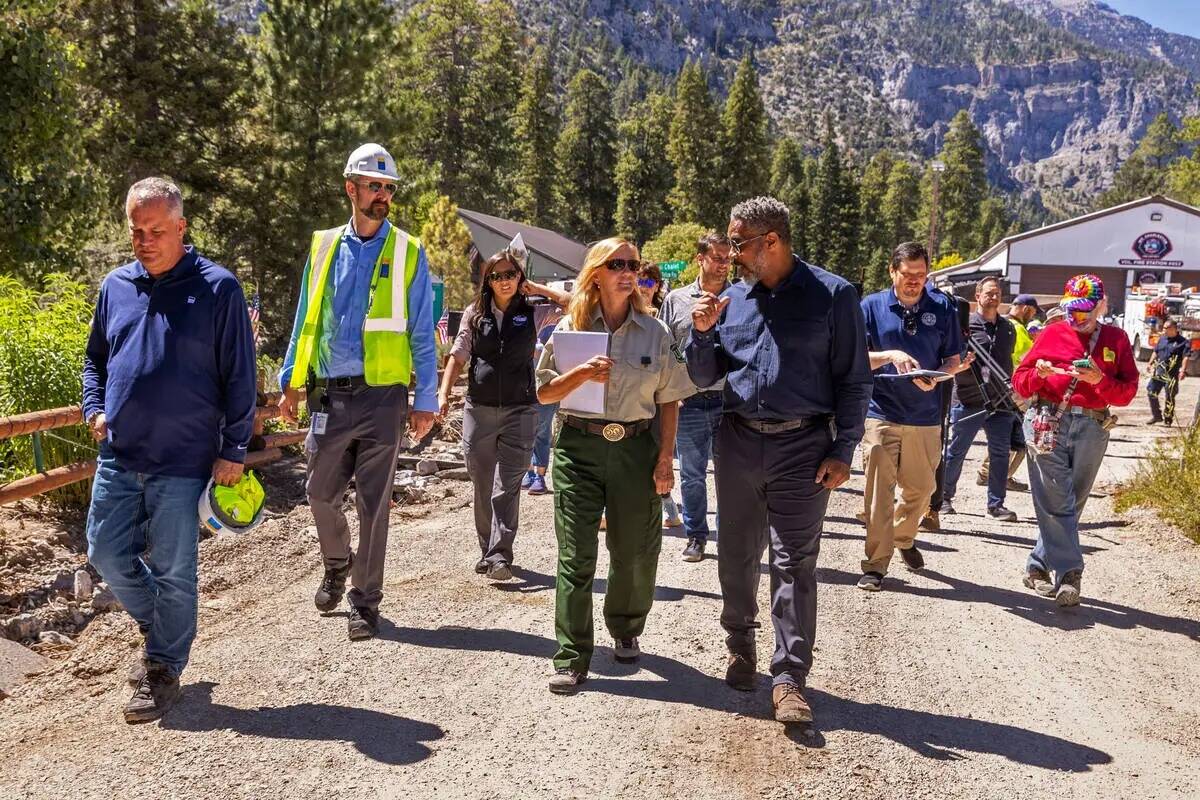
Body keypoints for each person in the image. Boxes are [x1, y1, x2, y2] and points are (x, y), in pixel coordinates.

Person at [687, 197, 872, 724]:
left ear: (771, 241)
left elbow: (855, 380)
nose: (729, 254)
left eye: (738, 243)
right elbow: (705, 376)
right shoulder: (735, 299)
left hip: (804, 449)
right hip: (738, 441)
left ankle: (789, 676)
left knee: (794, 563)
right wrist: (701, 336)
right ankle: (740, 643)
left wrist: (843, 449)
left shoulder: (834, 296)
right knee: (736, 555)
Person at [83, 177, 256, 722]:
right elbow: (95, 361)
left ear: (182, 227)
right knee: (104, 552)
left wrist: (234, 447)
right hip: (121, 452)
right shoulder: (116, 287)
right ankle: (162, 625)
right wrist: (94, 408)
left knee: (176, 568)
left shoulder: (218, 288)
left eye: (157, 230)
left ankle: (161, 669)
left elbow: (240, 376)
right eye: (136, 231)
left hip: (185, 460)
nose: (145, 240)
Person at [277, 143, 437, 641]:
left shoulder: (409, 251)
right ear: (351, 188)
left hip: (383, 397)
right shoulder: (324, 245)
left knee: (374, 502)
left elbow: (420, 330)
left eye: (388, 188)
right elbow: (306, 315)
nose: (382, 195)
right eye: (374, 186)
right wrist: (290, 378)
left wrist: (426, 397)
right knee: (319, 492)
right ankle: (337, 561)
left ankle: (365, 601)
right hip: (328, 393)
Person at [536, 237, 694, 694]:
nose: (628, 271)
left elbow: (670, 400)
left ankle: (625, 625)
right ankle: (571, 655)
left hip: (635, 450)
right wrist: (581, 373)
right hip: (578, 449)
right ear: (597, 273)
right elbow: (545, 393)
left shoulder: (655, 333)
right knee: (576, 555)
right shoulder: (571, 327)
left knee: (635, 552)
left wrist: (666, 459)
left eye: (633, 265)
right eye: (616, 264)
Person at [436, 236, 569, 581]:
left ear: (519, 276)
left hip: (520, 410)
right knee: (482, 485)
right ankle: (488, 550)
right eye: (497, 276)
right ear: (487, 281)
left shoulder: (533, 310)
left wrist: (536, 287)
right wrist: (443, 392)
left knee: (506, 485)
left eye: (511, 273)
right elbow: (458, 354)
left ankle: (500, 555)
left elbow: (574, 303)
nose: (504, 280)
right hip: (478, 411)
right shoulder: (474, 314)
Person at [1012, 274, 1138, 606]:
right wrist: (1038, 374)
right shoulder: (1052, 333)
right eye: (1070, 308)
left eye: (1084, 309)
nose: (1076, 316)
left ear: (1100, 306)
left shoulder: (1117, 339)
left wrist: (1100, 380)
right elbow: (1020, 382)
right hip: (1046, 421)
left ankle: (1037, 564)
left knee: (1072, 501)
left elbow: (1127, 393)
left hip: (1094, 426)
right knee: (1056, 497)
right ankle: (1069, 573)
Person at [858, 242, 972, 591]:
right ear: (892, 271)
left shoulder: (942, 308)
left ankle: (903, 536)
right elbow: (857, 357)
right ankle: (875, 565)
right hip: (881, 412)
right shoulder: (870, 307)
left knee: (922, 490)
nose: (914, 282)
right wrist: (890, 354)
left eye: (921, 276)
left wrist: (939, 374)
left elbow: (953, 359)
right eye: (908, 276)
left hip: (925, 415)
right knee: (879, 493)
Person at [659, 232, 732, 562]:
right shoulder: (676, 300)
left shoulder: (743, 298)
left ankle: (731, 536)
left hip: (731, 403)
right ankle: (697, 536)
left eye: (728, 259)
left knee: (732, 475)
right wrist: (676, 381)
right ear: (700, 258)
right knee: (692, 474)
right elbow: (666, 345)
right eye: (717, 257)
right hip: (688, 401)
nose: (723, 264)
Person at [939, 277, 1022, 522]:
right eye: (988, 293)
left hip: (1001, 401)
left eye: (997, 293)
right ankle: (944, 497)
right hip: (968, 399)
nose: (993, 297)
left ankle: (996, 505)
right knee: (957, 451)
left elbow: (1009, 360)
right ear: (978, 296)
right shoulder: (964, 325)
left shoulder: (1008, 327)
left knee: (1000, 453)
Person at [975, 293, 1040, 490]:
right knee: (1019, 436)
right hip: (1015, 390)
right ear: (1026, 309)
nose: (1032, 316)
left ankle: (991, 474)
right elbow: (1026, 358)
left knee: (1008, 436)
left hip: (1004, 389)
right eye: (1033, 312)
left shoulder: (1003, 325)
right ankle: (995, 476)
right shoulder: (1016, 328)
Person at [637, 260, 684, 528]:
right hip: (635, 394)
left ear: (656, 286)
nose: (643, 287)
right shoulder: (625, 309)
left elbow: (677, 352)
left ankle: (668, 506)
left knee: (659, 452)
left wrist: (680, 383)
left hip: (660, 396)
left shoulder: (664, 313)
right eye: (640, 281)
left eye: (649, 282)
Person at [524, 305, 564, 495]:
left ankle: (539, 474)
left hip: (547, 383)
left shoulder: (559, 324)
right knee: (524, 428)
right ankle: (529, 471)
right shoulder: (523, 317)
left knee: (541, 428)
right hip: (523, 383)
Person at [1146, 318, 1188, 425]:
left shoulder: (1183, 342)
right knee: (1151, 392)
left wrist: (1182, 371)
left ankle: (1168, 419)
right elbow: (1156, 352)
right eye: (1163, 328)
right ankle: (1157, 416)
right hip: (1159, 372)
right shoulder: (1162, 339)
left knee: (1169, 396)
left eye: (1166, 328)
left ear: (1173, 329)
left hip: (1171, 374)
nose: (1163, 330)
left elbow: (1185, 357)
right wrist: (1150, 363)